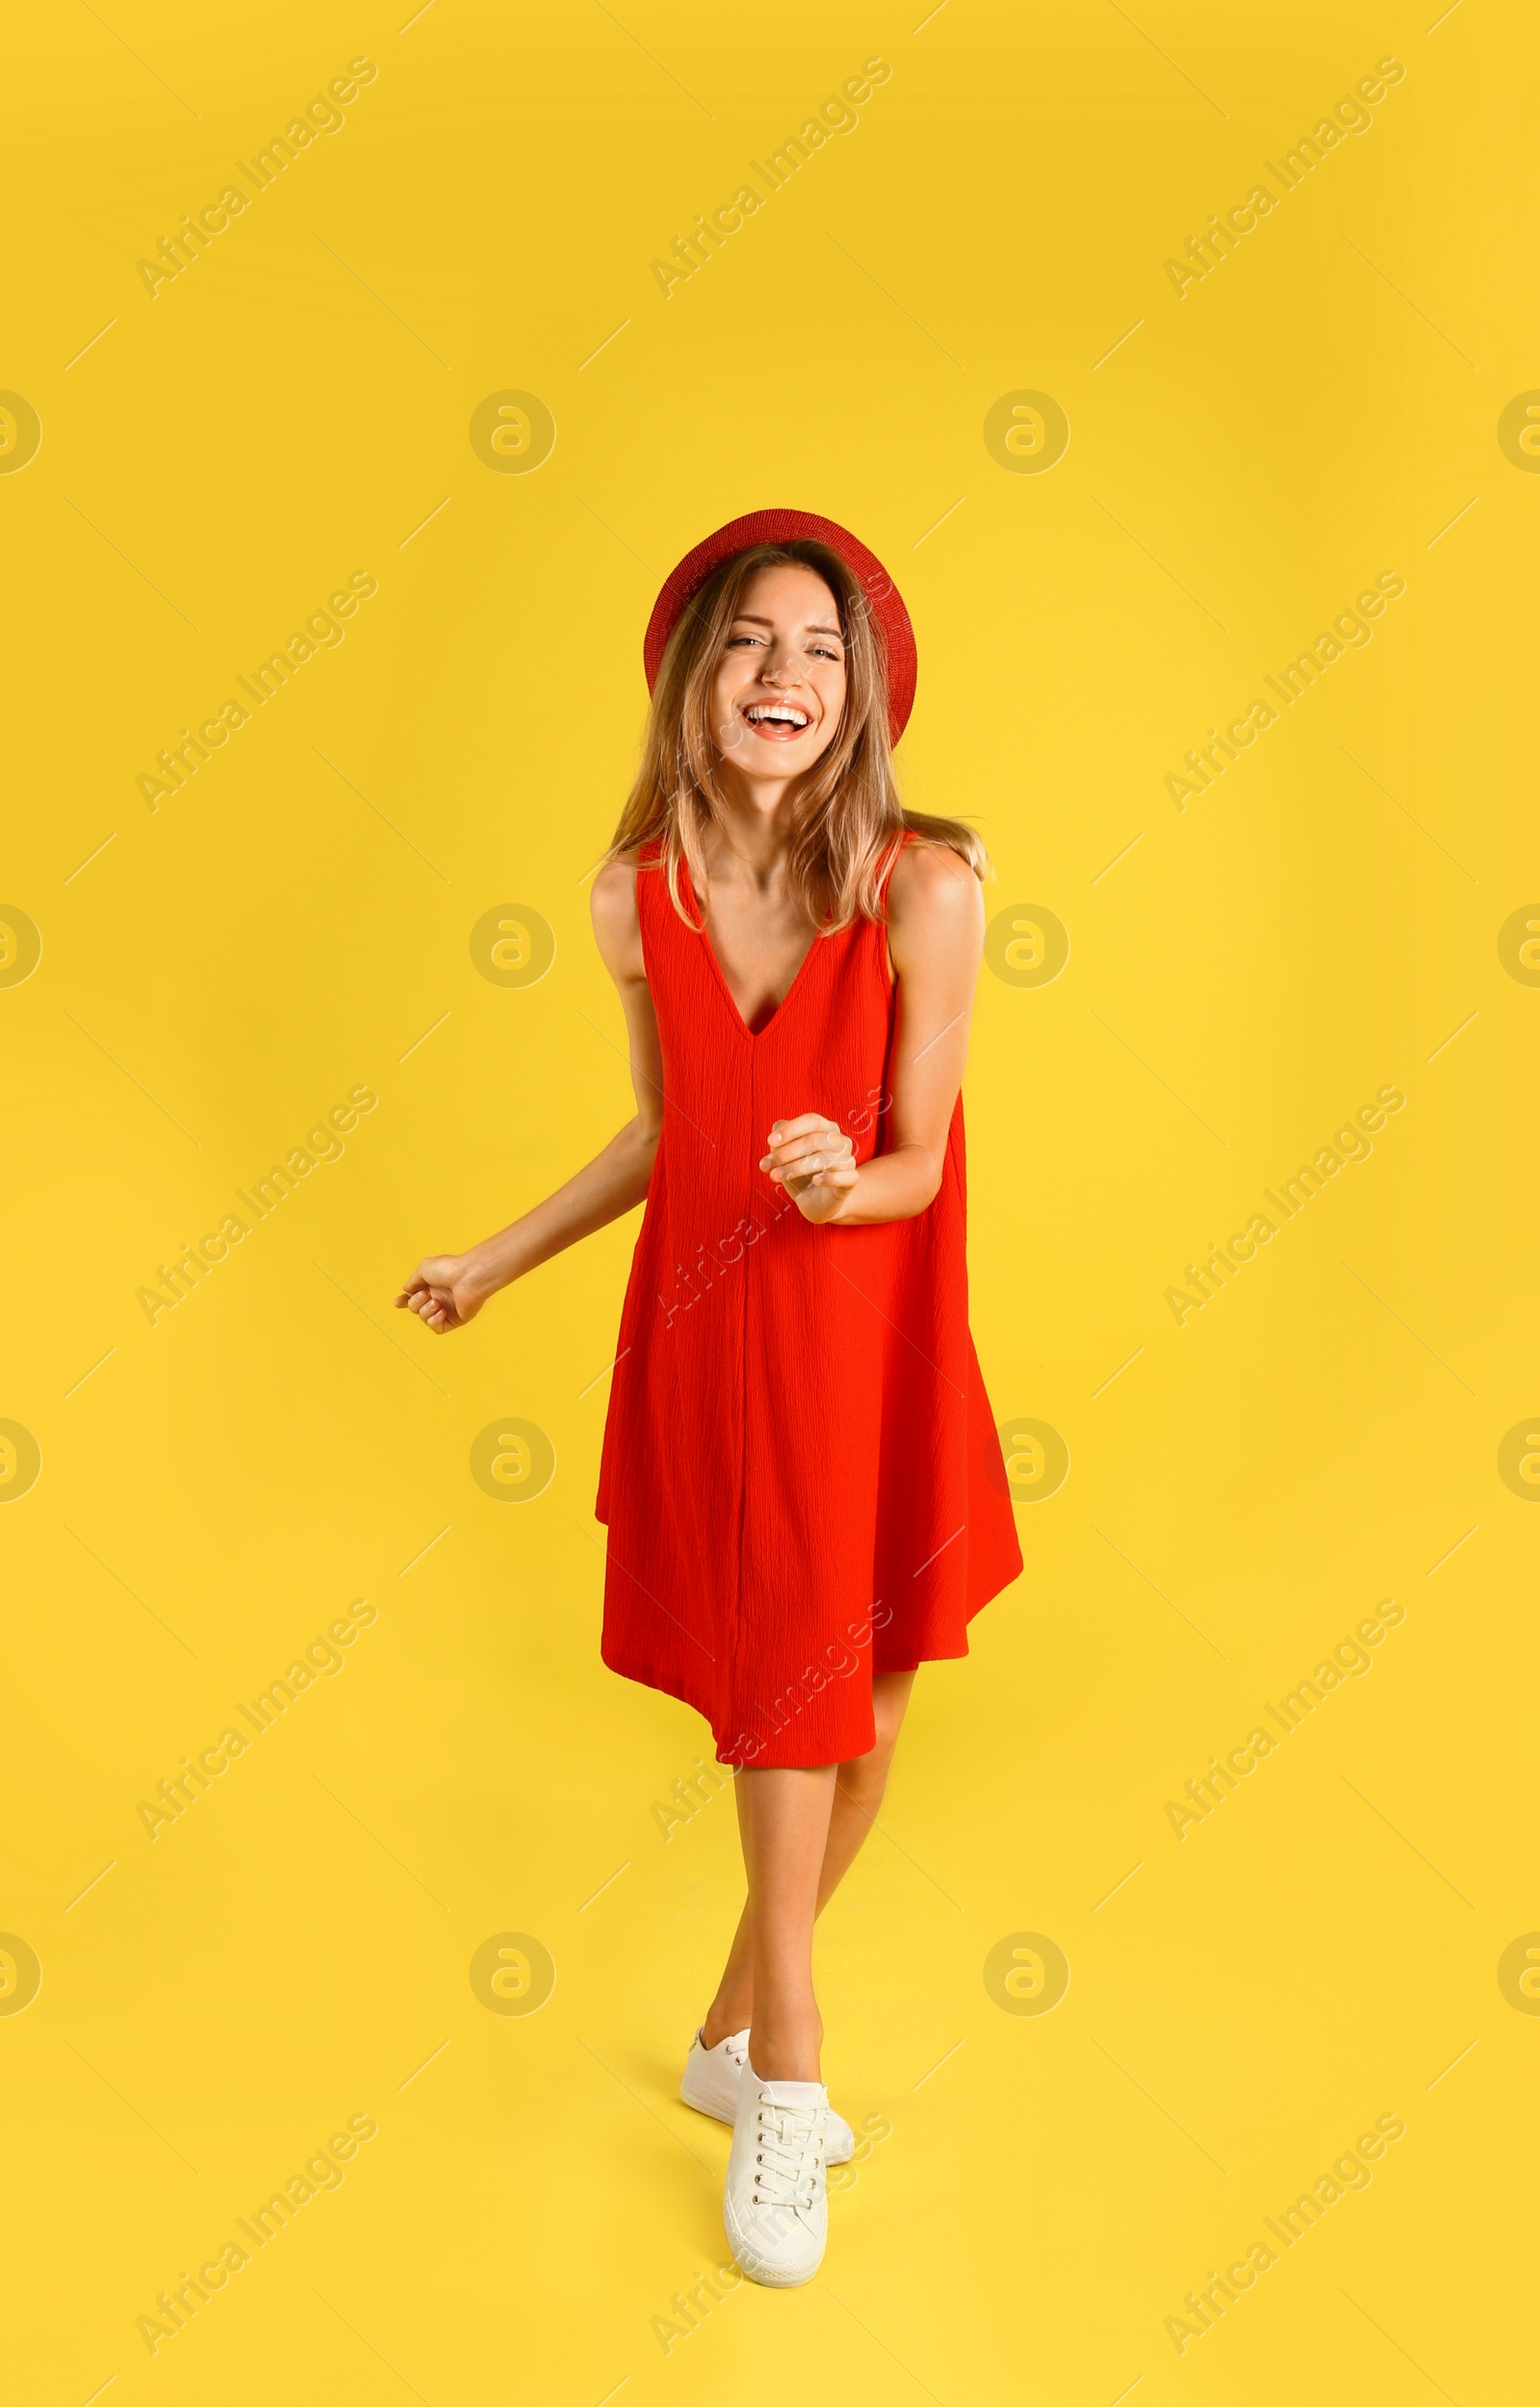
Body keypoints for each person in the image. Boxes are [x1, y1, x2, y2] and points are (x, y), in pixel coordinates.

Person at [397, 507, 1022, 2287]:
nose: (786, 675)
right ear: (694, 676)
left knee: (874, 1717)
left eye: (822, 650)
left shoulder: (927, 887)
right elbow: (675, 1132)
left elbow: (917, 1159)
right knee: (791, 1696)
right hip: (715, 1338)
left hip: (871, 1335)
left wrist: (843, 1187)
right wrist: (498, 1258)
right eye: (753, 640)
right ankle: (791, 2081)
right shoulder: (631, 898)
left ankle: (722, 2035)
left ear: (865, 694)